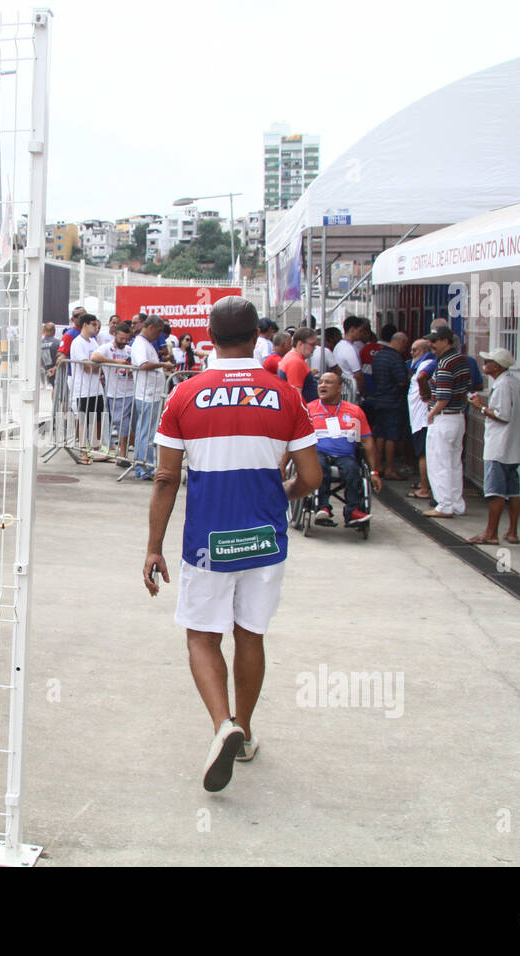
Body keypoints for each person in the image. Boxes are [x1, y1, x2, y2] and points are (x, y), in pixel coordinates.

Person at [144, 296, 320, 793]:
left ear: (210, 334)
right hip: (265, 537)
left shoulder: (185, 395)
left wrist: (154, 546)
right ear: (257, 335)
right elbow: (311, 475)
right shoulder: (286, 396)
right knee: (251, 635)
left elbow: (165, 479)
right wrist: (283, 493)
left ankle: (223, 724)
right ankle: (244, 733)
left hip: (208, 541)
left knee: (202, 635)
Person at [467, 348, 520, 545]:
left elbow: (502, 416)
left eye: (488, 361)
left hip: (500, 446)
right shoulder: (516, 383)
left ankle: (490, 533)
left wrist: (480, 407)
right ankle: (512, 532)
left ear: (497, 366)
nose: (484, 363)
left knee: (496, 492)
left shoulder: (502, 386)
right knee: (513, 491)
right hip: (514, 446)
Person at [306, 372, 382, 526]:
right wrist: (284, 465)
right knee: (319, 467)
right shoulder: (309, 409)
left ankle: (352, 511)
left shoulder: (355, 411)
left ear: (339, 388)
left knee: (353, 470)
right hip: (318, 453)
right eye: (320, 382)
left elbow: (368, 441)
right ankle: (323, 507)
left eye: (328, 382)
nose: (322, 385)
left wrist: (374, 472)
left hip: (345, 455)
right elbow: (295, 438)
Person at [423, 326, 471, 517]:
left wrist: (432, 412)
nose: (431, 344)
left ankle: (444, 505)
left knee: (439, 463)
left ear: (446, 341)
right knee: (454, 463)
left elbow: (443, 395)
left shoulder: (444, 364)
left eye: (435, 341)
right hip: (458, 417)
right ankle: (456, 503)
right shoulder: (461, 360)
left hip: (444, 418)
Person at [129, 315, 174, 480]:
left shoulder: (146, 343)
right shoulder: (140, 344)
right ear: (151, 327)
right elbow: (144, 365)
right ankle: (144, 467)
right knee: (146, 432)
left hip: (150, 393)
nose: (159, 335)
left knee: (145, 431)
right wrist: (163, 364)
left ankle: (143, 465)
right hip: (147, 394)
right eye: (159, 330)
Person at [92, 321, 136, 464]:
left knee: (131, 425)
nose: (124, 341)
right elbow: (94, 357)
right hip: (115, 393)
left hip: (132, 392)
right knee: (120, 424)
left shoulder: (130, 349)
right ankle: (120, 454)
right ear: (115, 335)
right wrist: (116, 362)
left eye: (126, 339)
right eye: (121, 338)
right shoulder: (106, 348)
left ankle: (124, 453)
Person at [369, 327, 409, 480]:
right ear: (400, 342)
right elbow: (401, 381)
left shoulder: (378, 356)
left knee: (380, 434)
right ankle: (390, 468)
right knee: (392, 436)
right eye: (404, 345)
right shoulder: (396, 358)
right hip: (393, 401)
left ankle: (378, 465)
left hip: (379, 400)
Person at [69, 315, 106, 462]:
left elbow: (97, 365)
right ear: (85, 325)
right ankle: (83, 452)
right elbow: (87, 367)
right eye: (93, 324)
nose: (95, 327)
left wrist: (97, 365)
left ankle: (96, 450)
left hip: (96, 388)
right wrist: (96, 365)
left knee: (97, 420)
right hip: (83, 389)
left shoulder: (94, 342)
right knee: (84, 421)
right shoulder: (77, 343)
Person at [405, 338, 436, 501]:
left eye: (415, 350)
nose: (411, 353)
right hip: (418, 417)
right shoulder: (419, 365)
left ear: (425, 351)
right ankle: (424, 484)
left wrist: (426, 395)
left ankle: (425, 488)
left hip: (423, 418)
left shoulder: (427, 364)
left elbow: (421, 378)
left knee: (424, 454)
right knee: (423, 453)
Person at [278, 327, 319, 402]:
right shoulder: (295, 362)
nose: (314, 348)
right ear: (300, 344)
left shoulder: (293, 358)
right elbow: (296, 396)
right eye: (312, 344)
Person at [333, 315, 369, 399]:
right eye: (360, 331)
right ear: (352, 330)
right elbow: (358, 375)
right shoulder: (349, 349)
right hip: (350, 392)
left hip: (344, 390)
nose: (362, 334)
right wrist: (363, 391)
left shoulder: (339, 346)